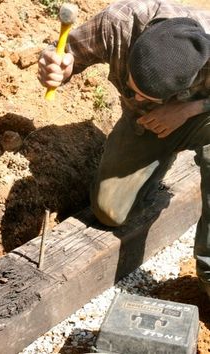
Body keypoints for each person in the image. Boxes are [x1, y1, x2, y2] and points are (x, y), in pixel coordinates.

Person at [38, 0, 210, 299]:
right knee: (110, 212)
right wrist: (57, 67)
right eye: (132, 87)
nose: (135, 94)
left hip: (201, 117)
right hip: (144, 123)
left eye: (149, 95)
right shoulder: (119, 23)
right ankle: (158, 161)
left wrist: (187, 110)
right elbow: (67, 53)